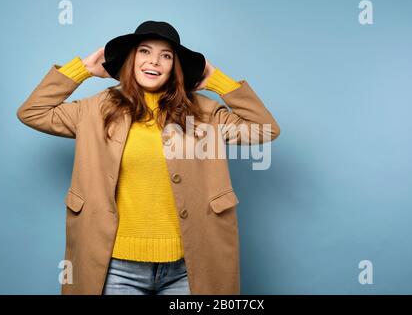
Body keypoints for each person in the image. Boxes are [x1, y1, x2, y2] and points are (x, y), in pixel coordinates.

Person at [17, 20, 280, 295]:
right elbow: (33, 112)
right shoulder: (94, 110)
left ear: (174, 66)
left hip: (188, 267)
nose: (154, 61)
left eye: (166, 55)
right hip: (115, 266)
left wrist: (218, 80)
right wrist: (81, 69)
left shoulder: (204, 114)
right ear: (131, 59)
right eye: (144, 51)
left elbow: (266, 129)